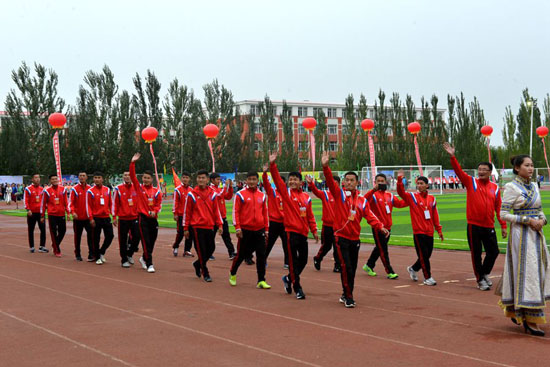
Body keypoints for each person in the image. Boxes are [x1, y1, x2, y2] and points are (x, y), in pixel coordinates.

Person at [321, 152, 388, 308]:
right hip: (340, 237)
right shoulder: (339, 195)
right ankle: (349, 297)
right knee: (346, 266)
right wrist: (325, 167)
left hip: (355, 239)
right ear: (343, 182)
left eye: (352, 180)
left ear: (357, 183)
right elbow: (331, 182)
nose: (349, 182)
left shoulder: (362, 200)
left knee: (353, 269)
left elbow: (370, 216)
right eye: (347, 180)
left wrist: (380, 226)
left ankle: (345, 293)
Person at [444, 143, 507, 290]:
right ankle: (480, 280)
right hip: (474, 225)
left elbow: (499, 208)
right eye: (479, 169)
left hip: (489, 226)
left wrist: (503, 226)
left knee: (494, 251)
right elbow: (459, 172)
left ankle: (484, 273)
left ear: (490, 172)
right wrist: (453, 157)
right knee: (476, 254)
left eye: (484, 169)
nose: (481, 172)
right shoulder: (471, 182)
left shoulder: (495, 188)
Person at [499, 155, 550, 337]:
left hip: (537, 234)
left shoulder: (535, 186)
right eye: (527, 165)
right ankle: (530, 319)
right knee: (527, 273)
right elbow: (503, 214)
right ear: (517, 168)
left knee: (539, 271)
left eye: (532, 165)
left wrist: (542, 220)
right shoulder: (511, 188)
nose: (531, 168)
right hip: (521, 235)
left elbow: (540, 209)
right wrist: (527, 220)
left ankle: (519, 310)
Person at [269, 153, 319, 300]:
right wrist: (273, 165)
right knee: (293, 261)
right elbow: (278, 181)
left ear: (300, 182)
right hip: (291, 232)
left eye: (295, 179)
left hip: (303, 233)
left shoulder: (306, 198)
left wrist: (314, 230)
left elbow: (310, 216)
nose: (292, 181)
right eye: (290, 179)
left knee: (303, 260)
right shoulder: (286, 194)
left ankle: (289, 279)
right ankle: (297, 287)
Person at [396, 170, 443, 286]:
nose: (419, 185)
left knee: (427, 255)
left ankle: (413, 268)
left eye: (422, 183)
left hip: (430, 232)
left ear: (427, 185)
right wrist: (399, 181)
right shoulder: (412, 197)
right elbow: (401, 193)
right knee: (423, 256)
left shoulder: (432, 199)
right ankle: (428, 277)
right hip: (418, 232)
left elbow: (435, 215)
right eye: (418, 183)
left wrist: (439, 230)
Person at [229, 171, 271, 289]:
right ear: (246, 181)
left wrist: (266, 229)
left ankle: (261, 280)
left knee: (261, 255)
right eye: (250, 179)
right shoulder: (240, 194)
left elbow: (265, 213)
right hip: (245, 230)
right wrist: (237, 228)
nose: (252, 181)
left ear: (258, 181)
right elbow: (235, 211)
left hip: (259, 229)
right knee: (241, 254)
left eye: (254, 179)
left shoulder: (262, 195)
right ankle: (233, 273)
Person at [362, 173, 408, 279]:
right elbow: (364, 200)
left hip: (388, 227)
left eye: (382, 181)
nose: (381, 183)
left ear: (386, 182)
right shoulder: (373, 195)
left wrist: (411, 201)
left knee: (379, 248)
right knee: (383, 249)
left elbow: (400, 204)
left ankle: (369, 265)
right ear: (375, 182)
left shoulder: (390, 196)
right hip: (378, 227)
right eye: (378, 181)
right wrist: (373, 190)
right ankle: (389, 271)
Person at [183, 169, 223, 282]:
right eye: (199, 178)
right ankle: (205, 272)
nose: (201, 180)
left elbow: (216, 211)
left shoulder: (213, 194)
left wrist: (220, 225)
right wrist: (185, 228)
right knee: (201, 250)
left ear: (207, 180)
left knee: (211, 248)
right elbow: (187, 212)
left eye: (203, 178)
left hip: (209, 226)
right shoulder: (192, 194)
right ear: (196, 179)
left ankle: (197, 264)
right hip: (196, 227)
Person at [130, 153, 162, 273]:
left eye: (148, 178)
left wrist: (155, 211)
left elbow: (159, 204)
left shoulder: (156, 191)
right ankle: (149, 264)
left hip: (153, 219)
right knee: (146, 241)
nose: (146, 179)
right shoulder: (139, 188)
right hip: (142, 218)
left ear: (151, 179)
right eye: (144, 177)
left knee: (152, 241)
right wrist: (132, 163)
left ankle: (144, 258)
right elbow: (133, 176)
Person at [306, 174, 341, 273]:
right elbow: (316, 192)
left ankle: (337, 265)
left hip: (338, 226)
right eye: (331, 182)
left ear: (338, 184)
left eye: (335, 183)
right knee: (327, 246)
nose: (333, 184)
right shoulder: (325, 194)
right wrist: (311, 184)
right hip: (327, 226)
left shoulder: (341, 195)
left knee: (337, 246)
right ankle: (318, 258)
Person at [262, 165, 289, 269]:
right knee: (269, 243)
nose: (280, 184)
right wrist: (264, 174)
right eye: (278, 182)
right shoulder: (272, 192)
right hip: (273, 222)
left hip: (285, 223)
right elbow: (266, 184)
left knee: (286, 244)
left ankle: (287, 262)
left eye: (282, 182)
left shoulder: (287, 193)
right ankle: (263, 260)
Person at [113, 171, 141, 268]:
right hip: (123, 218)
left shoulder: (137, 187)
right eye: (125, 175)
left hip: (134, 217)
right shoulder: (118, 188)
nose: (127, 177)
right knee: (123, 239)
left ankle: (129, 254)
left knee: (137, 237)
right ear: (123, 177)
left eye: (129, 175)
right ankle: (124, 259)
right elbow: (115, 203)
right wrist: (114, 217)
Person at [86, 172, 114, 265]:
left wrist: (113, 216)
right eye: (95, 177)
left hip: (106, 217)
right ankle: (97, 257)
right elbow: (88, 206)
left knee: (110, 236)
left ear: (102, 179)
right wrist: (91, 218)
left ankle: (101, 252)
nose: (97, 179)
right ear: (93, 179)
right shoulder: (90, 191)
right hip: (96, 218)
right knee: (96, 238)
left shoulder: (107, 190)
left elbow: (111, 204)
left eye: (99, 177)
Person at [209, 173, 236, 260]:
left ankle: (231, 252)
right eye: (217, 179)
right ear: (212, 180)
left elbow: (228, 197)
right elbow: (219, 195)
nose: (219, 181)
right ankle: (208, 253)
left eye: (219, 179)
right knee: (211, 236)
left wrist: (230, 187)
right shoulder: (210, 189)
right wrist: (225, 186)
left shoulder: (219, 189)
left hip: (222, 217)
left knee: (226, 235)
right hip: (213, 217)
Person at [40, 174, 69, 257]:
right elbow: (43, 204)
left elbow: (66, 202)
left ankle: (55, 244)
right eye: (53, 179)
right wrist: (42, 215)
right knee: (53, 232)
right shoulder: (46, 191)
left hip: (61, 214)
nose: (55, 180)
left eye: (56, 179)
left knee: (63, 231)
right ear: (50, 181)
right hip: (52, 214)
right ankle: (57, 250)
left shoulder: (63, 189)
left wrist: (68, 212)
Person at [69, 172, 93, 261]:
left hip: (88, 218)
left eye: (83, 176)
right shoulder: (74, 189)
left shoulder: (90, 189)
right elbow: (70, 203)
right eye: (80, 176)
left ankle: (91, 254)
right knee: (77, 236)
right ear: (78, 177)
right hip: (78, 218)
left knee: (91, 236)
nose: (82, 177)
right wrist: (73, 212)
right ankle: (77, 254)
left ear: (86, 177)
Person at [172, 171, 194, 257]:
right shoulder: (177, 190)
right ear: (181, 178)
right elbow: (175, 202)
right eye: (184, 177)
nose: (185, 179)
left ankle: (187, 250)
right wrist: (175, 213)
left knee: (190, 233)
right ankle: (176, 246)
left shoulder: (191, 190)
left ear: (189, 179)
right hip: (181, 215)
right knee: (181, 232)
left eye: (187, 177)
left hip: (190, 215)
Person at [24, 174, 47, 253]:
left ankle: (42, 246)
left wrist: (44, 210)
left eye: (38, 178)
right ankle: (32, 246)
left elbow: (44, 201)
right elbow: (25, 200)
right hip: (32, 213)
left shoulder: (42, 189)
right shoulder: (28, 189)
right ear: (32, 179)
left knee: (43, 229)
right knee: (31, 230)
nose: (37, 179)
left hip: (40, 213)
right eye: (36, 178)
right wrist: (28, 209)